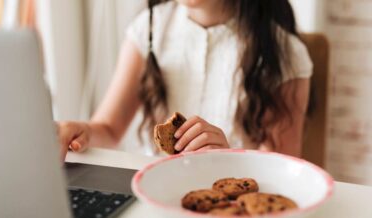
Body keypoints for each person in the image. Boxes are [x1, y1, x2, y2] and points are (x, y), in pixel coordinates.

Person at [58, 0, 313, 159]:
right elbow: (109, 130)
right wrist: (83, 133)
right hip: (153, 195)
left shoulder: (286, 54)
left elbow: (280, 172)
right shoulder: (146, 30)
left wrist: (227, 161)